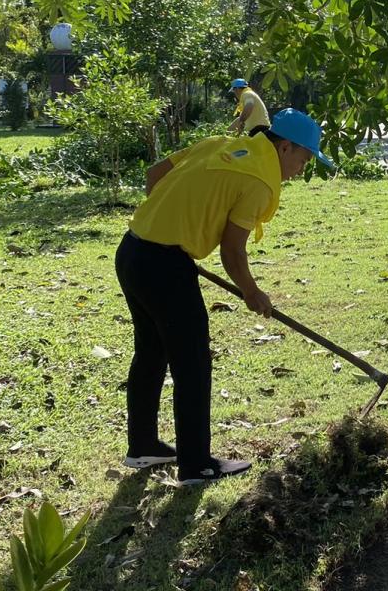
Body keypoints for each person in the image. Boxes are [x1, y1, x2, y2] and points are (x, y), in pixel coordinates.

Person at [115, 109, 335, 484]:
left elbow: (155, 178)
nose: (302, 167)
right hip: (165, 267)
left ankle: (143, 445)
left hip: (133, 252)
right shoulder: (259, 180)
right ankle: (196, 465)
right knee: (193, 363)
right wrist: (252, 292)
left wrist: (174, 220)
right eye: (303, 157)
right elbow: (233, 252)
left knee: (152, 351)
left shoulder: (219, 145)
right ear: (284, 147)